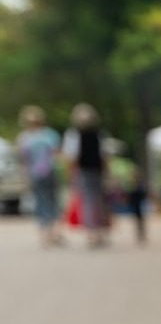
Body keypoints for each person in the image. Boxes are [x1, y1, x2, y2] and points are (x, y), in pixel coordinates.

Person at [16, 106, 64, 246]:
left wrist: (25, 176)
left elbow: (24, 160)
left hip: (37, 173)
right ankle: (52, 232)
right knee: (52, 201)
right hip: (50, 171)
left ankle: (45, 234)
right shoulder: (49, 134)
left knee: (41, 202)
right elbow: (57, 154)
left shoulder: (25, 137)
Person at [63, 103, 109, 247]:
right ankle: (98, 232)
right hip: (96, 171)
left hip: (84, 171)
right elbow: (104, 156)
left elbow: (72, 157)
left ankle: (92, 233)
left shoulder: (74, 135)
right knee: (98, 201)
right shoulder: (99, 134)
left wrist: (71, 175)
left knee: (88, 202)